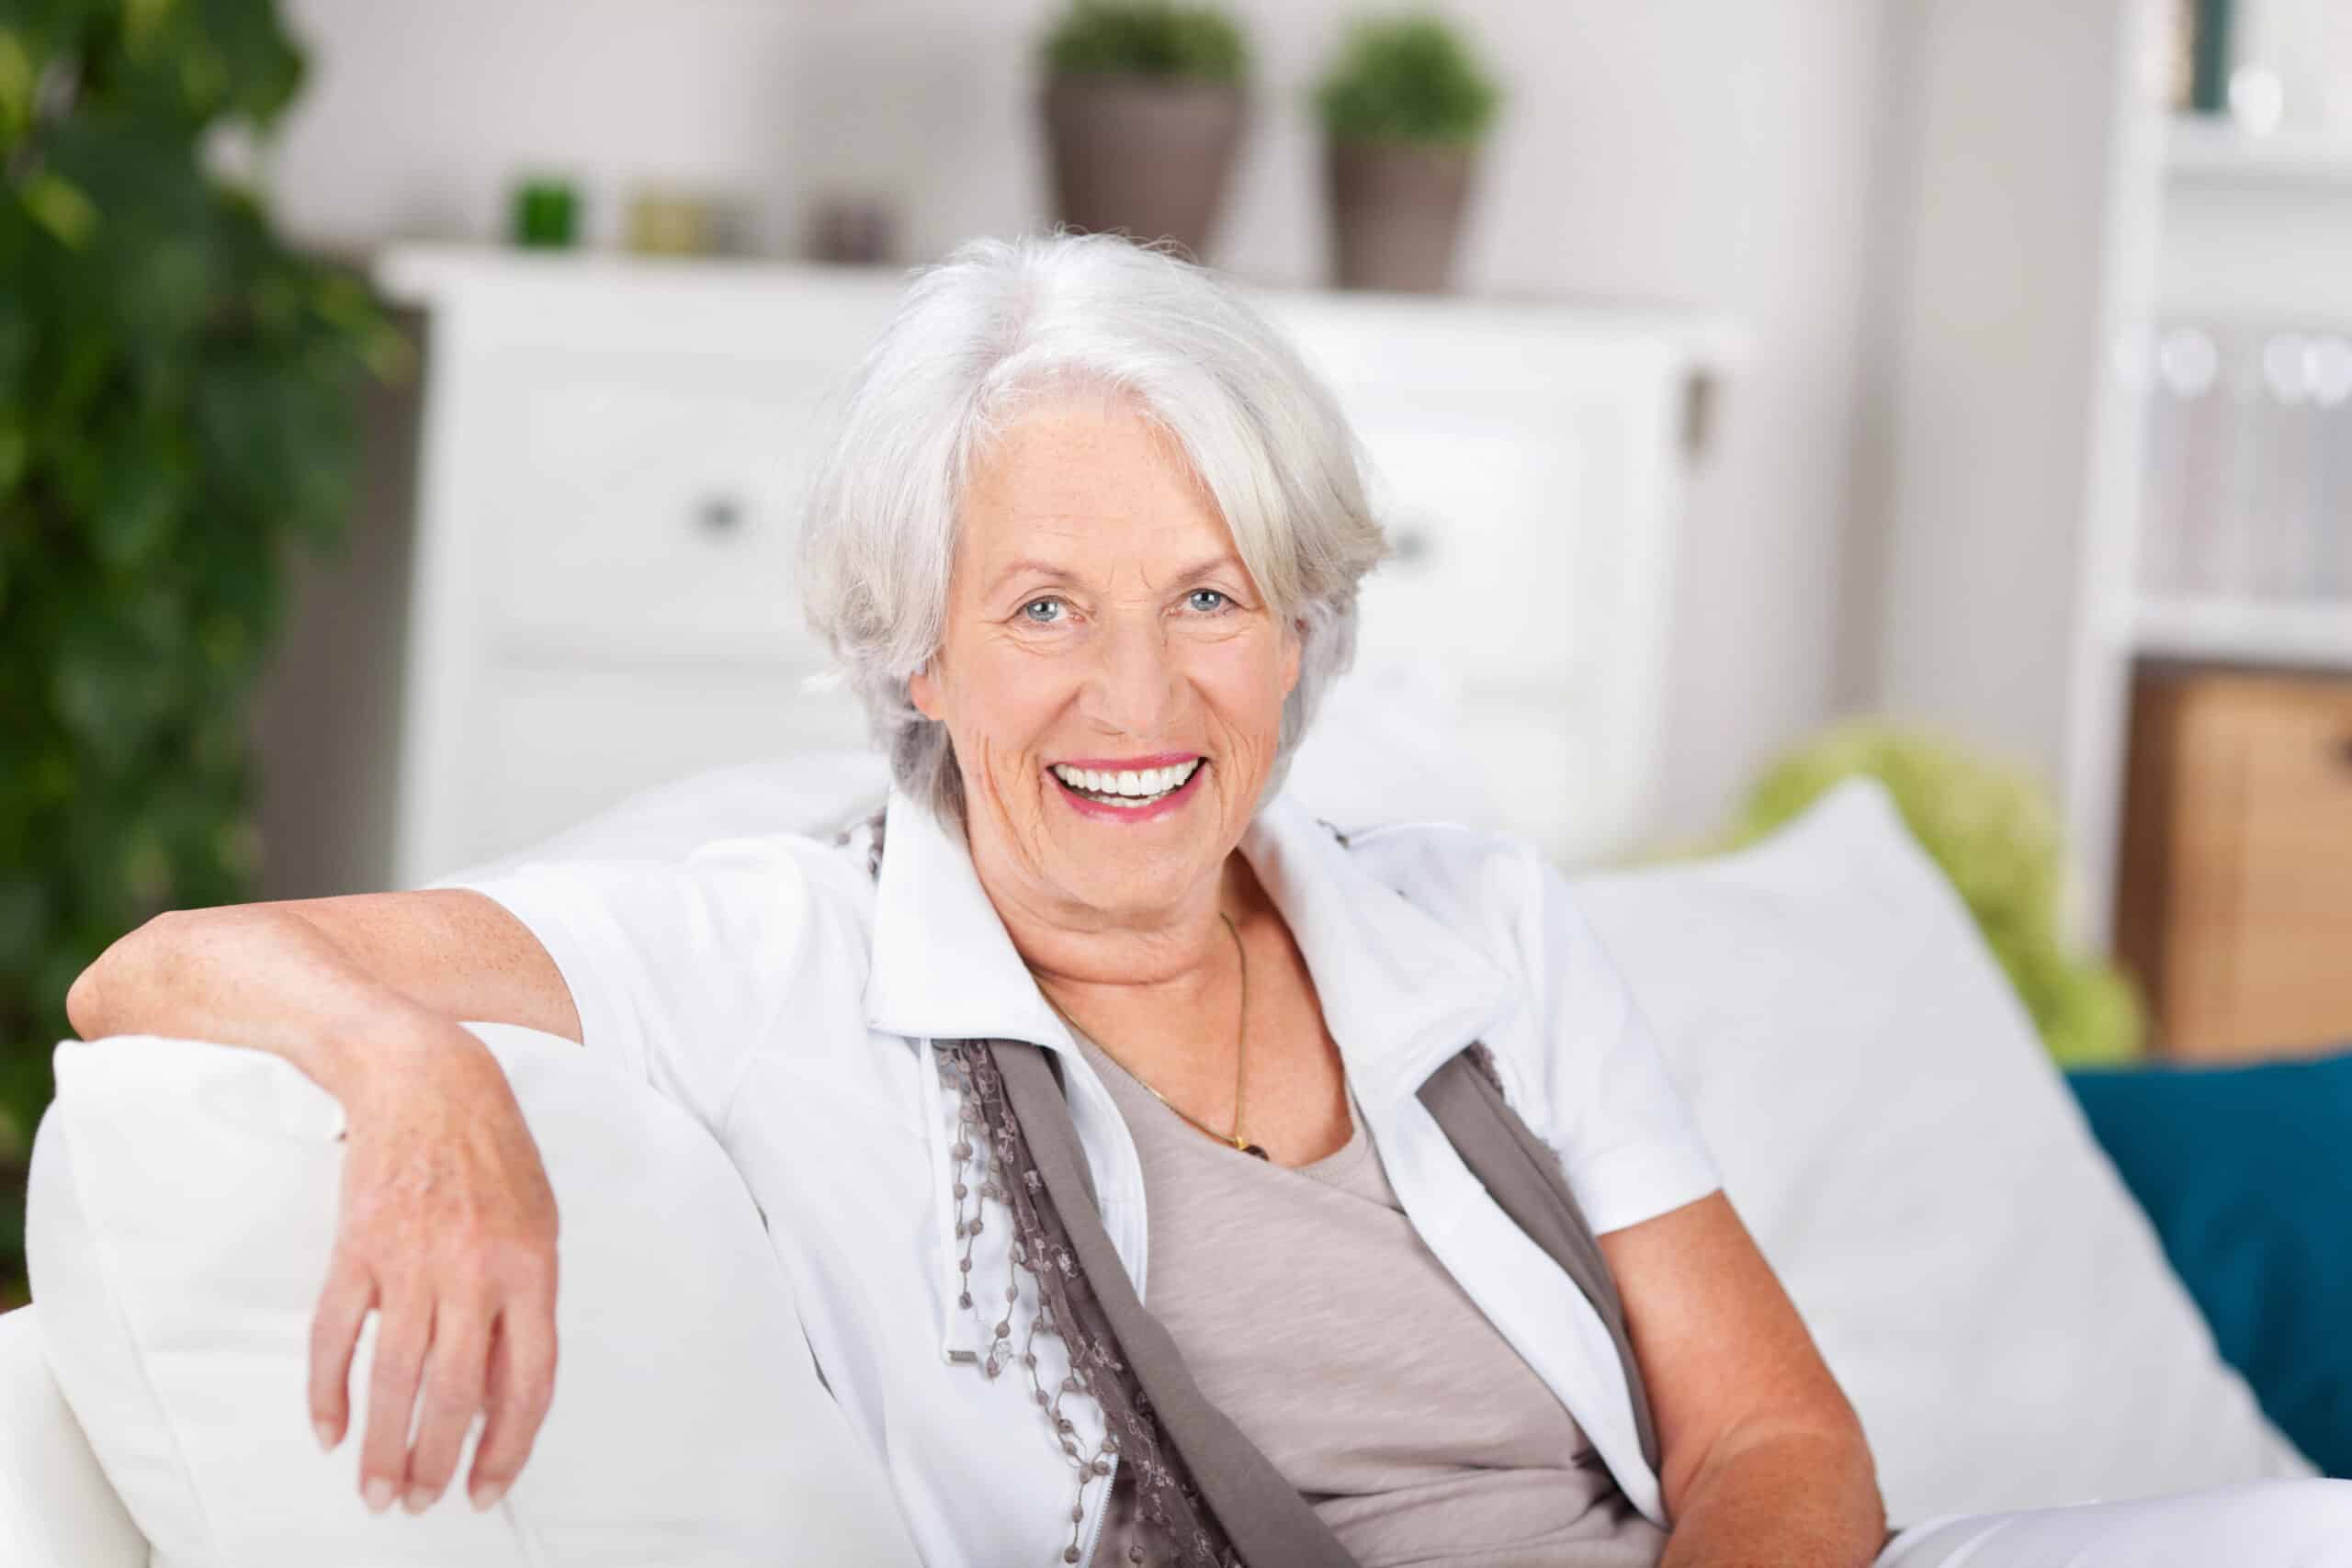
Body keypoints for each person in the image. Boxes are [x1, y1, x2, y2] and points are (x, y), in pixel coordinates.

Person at [67, 231, 2349, 1568]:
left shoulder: (1475, 923)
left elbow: (1776, 1443)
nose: (1137, 693)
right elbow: (154, 967)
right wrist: (416, 1072)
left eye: (1207, 596)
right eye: (1042, 607)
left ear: (1299, 627)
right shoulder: (778, 949)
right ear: (919, 646)